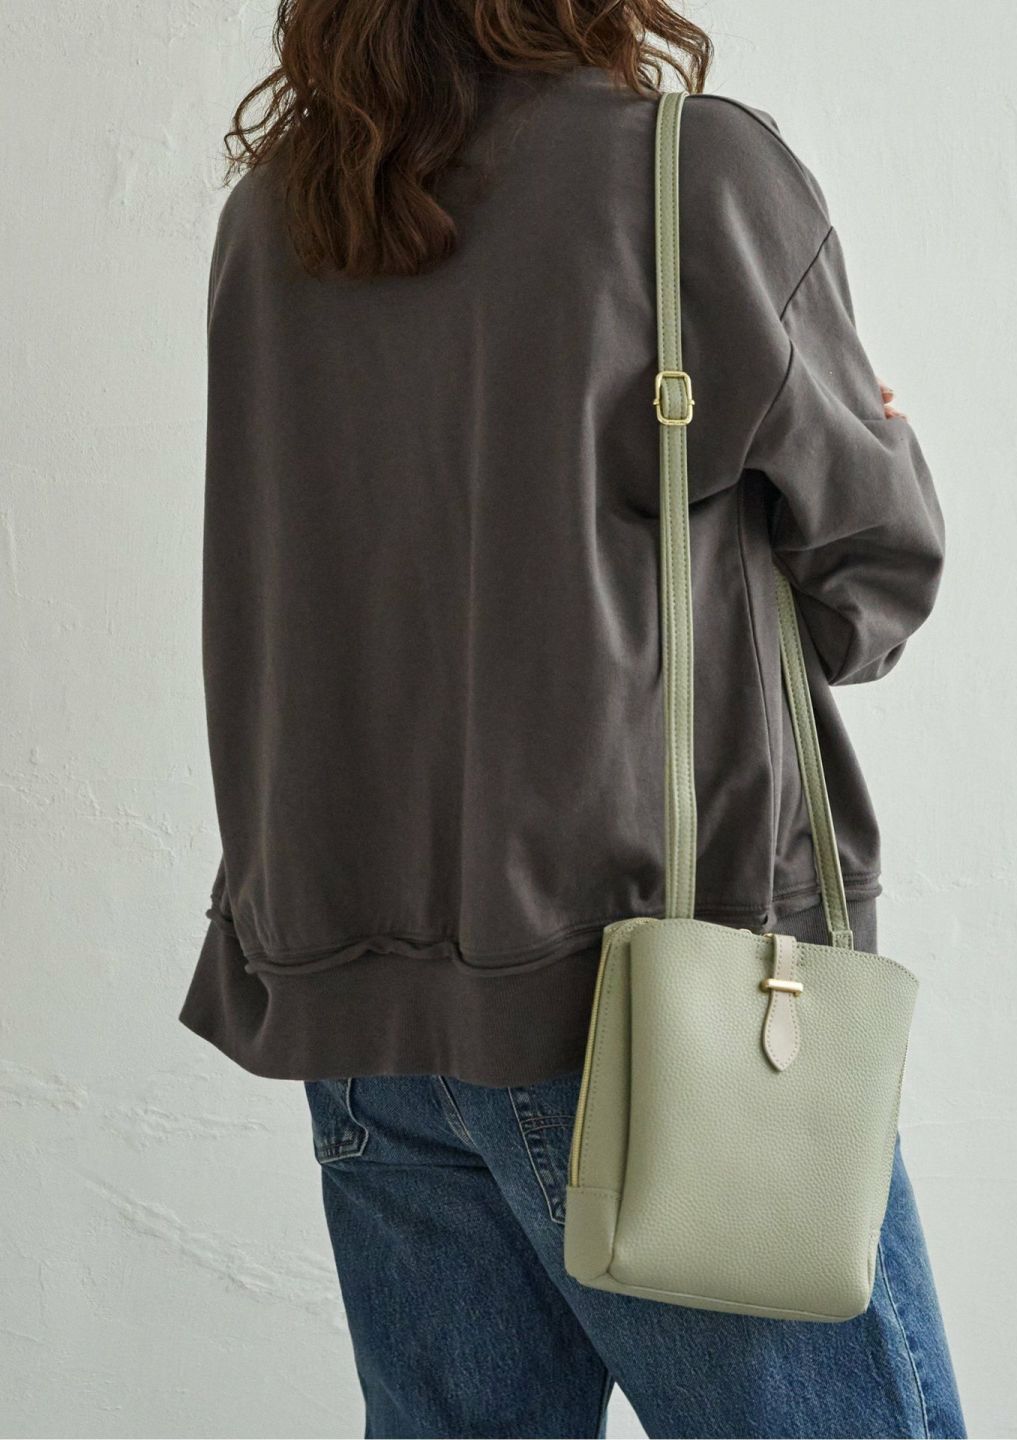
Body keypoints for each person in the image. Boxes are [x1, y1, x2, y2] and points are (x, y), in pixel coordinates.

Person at [180, 2, 967, 1435]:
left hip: (359, 1014)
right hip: (658, 1000)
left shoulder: (282, 219)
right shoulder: (687, 174)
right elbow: (873, 579)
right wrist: (882, 432)